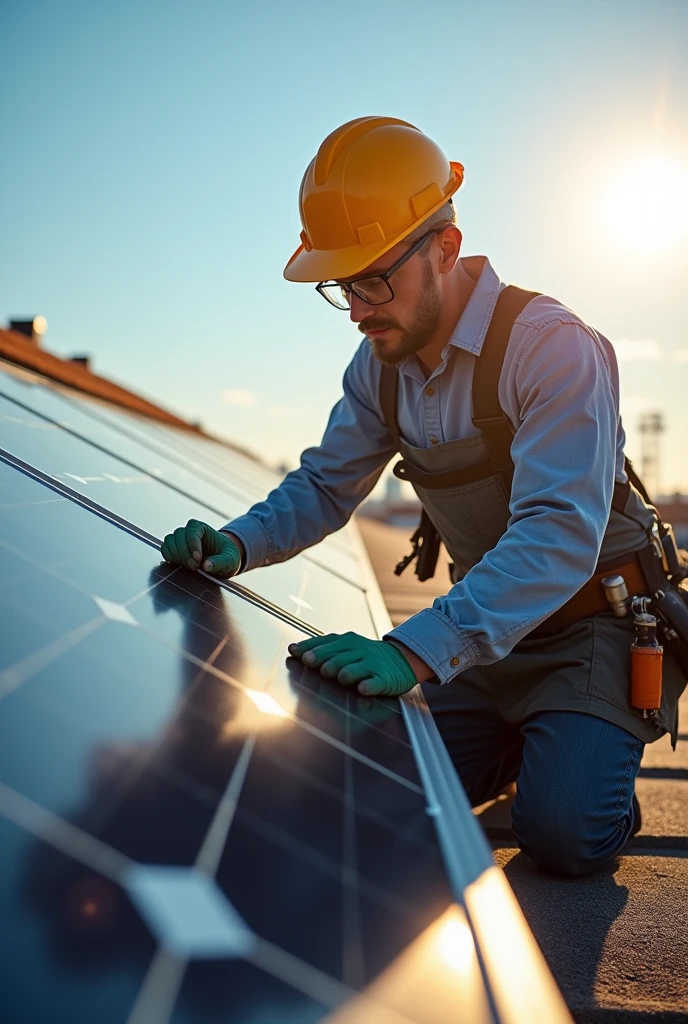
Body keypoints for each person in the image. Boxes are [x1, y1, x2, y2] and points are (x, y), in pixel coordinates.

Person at [161, 116, 685, 877]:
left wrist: (414, 650)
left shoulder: (552, 347)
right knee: (366, 781)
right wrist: (237, 546)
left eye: (376, 279)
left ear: (444, 247)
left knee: (564, 834)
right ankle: (524, 744)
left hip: (591, 632)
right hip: (482, 639)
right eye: (343, 286)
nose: (361, 307)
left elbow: (558, 534)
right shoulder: (380, 362)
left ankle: (586, 769)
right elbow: (324, 483)